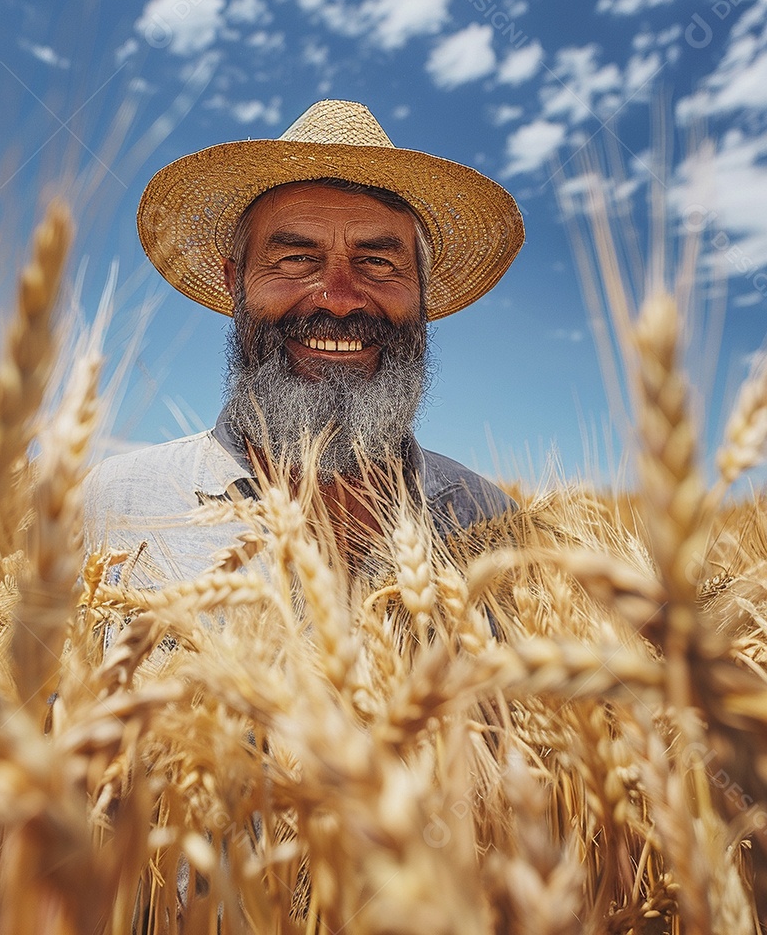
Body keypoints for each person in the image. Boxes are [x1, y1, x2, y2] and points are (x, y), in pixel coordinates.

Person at [84, 99, 525, 584]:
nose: (338, 299)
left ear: (421, 291)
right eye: (296, 258)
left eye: (378, 263)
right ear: (236, 283)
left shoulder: (498, 530)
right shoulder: (112, 504)